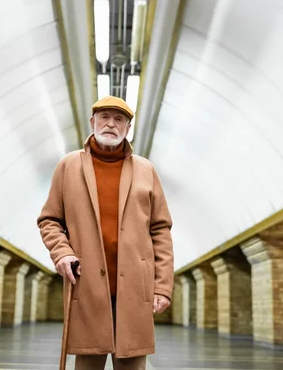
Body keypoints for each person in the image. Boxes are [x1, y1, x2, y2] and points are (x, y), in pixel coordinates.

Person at [37, 96, 174, 369]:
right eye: (104, 117)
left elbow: (160, 230)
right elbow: (49, 219)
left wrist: (162, 286)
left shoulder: (147, 171)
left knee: (133, 363)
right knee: (87, 362)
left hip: (136, 287)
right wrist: (62, 253)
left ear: (127, 128)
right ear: (93, 122)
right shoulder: (69, 166)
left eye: (119, 119)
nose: (111, 124)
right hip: (86, 285)